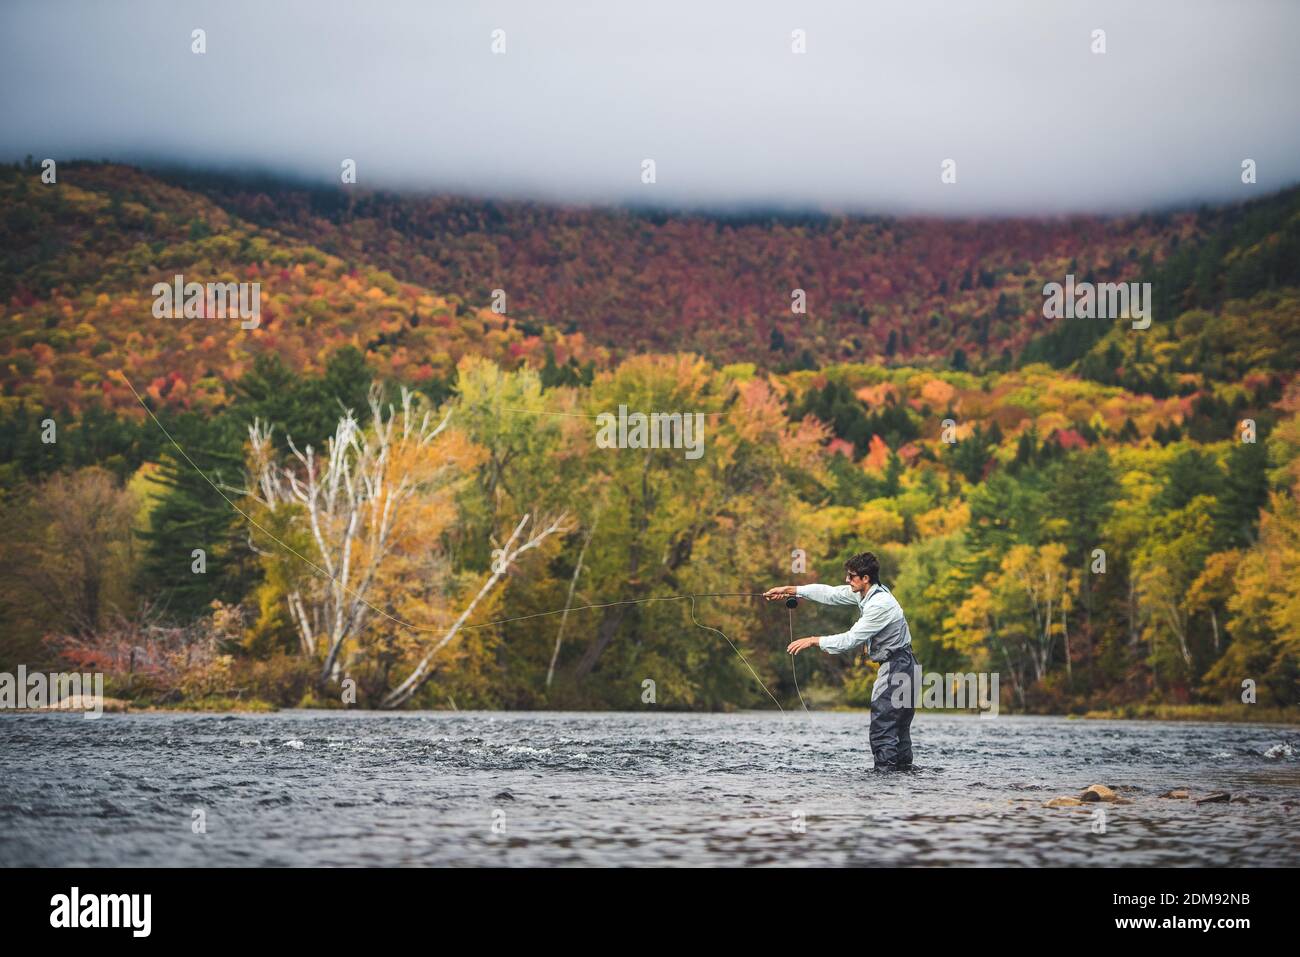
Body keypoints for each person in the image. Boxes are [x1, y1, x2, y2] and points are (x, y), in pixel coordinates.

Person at [765, 551, 919, 771]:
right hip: (907, 665)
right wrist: (790, 590)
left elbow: (850, 639)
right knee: (898, 728)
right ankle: (903, 777)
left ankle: (886, 779)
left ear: (865, 578)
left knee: (884, 725)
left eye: (851, 576)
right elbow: (830, 594)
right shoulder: (868, 593)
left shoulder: (880, 605)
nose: (847, 580)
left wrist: (812, 640)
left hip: (898, 666)